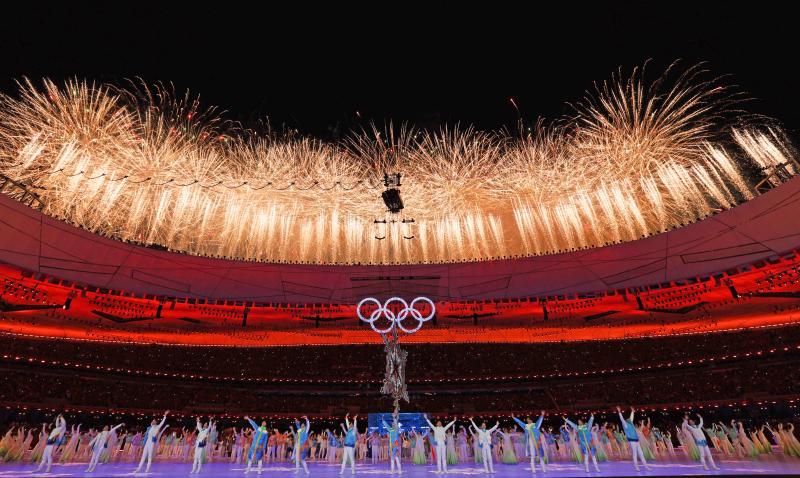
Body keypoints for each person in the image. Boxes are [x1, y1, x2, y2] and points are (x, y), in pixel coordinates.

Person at [617, 406, 651, 471]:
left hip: (636, 440)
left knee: (641, 453)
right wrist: (619, 412)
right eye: (629, 419)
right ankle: (636, 467)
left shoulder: (630, 422)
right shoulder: (625, 424)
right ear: (627, 419)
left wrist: (632, 411)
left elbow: (632, 417)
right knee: (635, 453)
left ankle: (646, 466)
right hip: (632, 441)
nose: (630, 419)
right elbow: (622, 419)